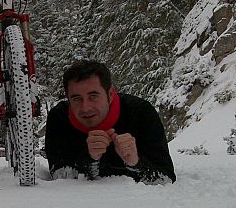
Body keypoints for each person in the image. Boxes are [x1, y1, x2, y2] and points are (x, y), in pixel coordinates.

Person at [44, 60, 175, 184]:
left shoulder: (140, 113)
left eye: (93, 96)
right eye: (77, 99)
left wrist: (136, 163)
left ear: (110, 94)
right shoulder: (60, 118)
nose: (85, 108)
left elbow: (166, 178)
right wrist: (90, 159)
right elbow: (59, 177)